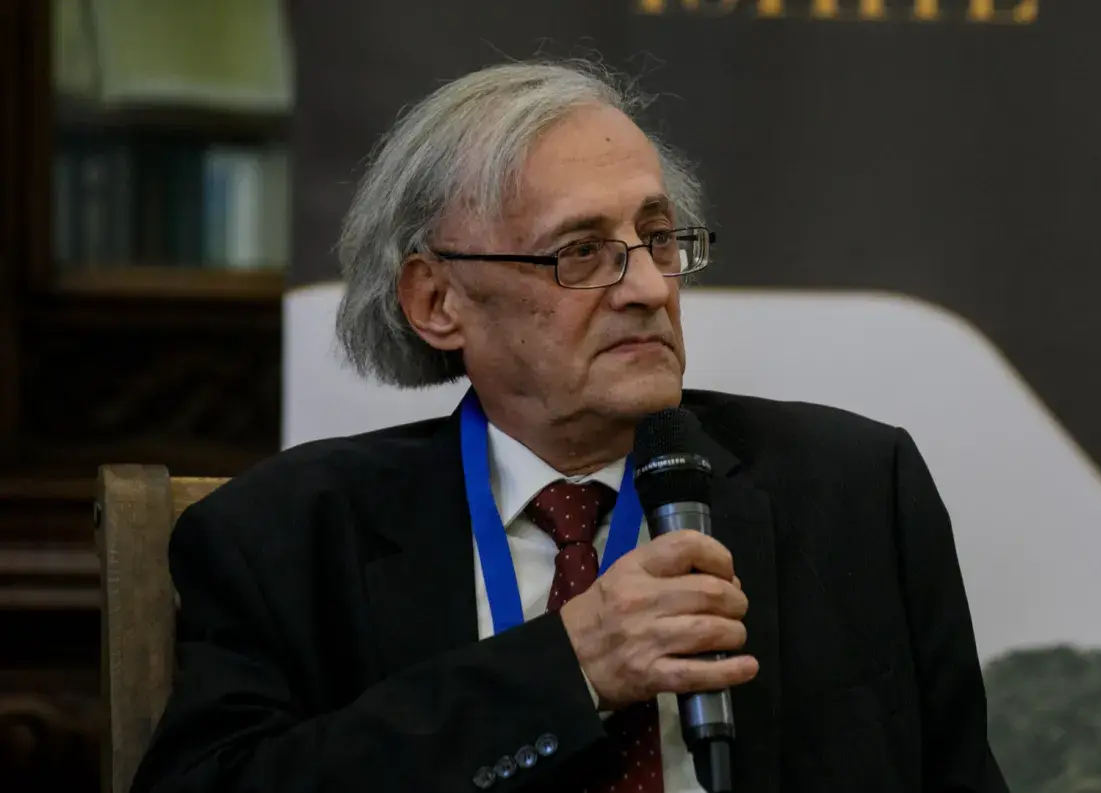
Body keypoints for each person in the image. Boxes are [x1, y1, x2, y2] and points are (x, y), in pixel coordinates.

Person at [129, 60, 1008, 793]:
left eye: (658, 239)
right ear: (437, 301)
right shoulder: (283, 535)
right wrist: (568, 668)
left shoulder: (857, 494)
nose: (649, 288)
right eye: (581, 252)